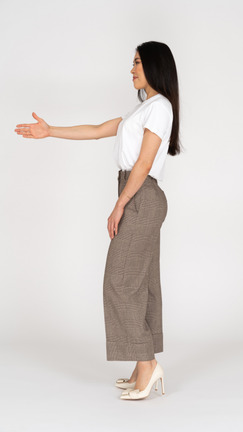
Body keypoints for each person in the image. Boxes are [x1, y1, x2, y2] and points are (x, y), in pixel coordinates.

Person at [14, 40, 182, 401]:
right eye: (132, 63)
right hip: (138, 194)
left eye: (137, 62)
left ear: (154, 66)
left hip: (140, 196)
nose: (132, 69)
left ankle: (148, 363)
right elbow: (94, 130)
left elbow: (143, 163)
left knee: (119, 282)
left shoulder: (161, 108)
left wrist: (120, 204)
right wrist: (51, 130)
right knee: (140, 283)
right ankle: (143, 368)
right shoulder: (143, 110)